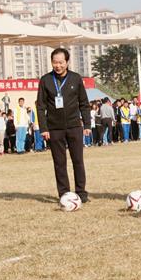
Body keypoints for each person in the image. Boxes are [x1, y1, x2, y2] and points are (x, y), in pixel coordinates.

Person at [36, 48, 92, 203]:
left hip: (74, 126)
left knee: (78, 161)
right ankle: (64, 194)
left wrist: (87, 124)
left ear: (67, 62)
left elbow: (84, 103)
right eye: (55, 62)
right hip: (54, 129)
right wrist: (44, 128)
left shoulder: (75, 78)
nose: (58, 66)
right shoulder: (45, 80)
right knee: (59, 163)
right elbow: (40, 106)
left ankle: (81, 193)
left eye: (61, 62)